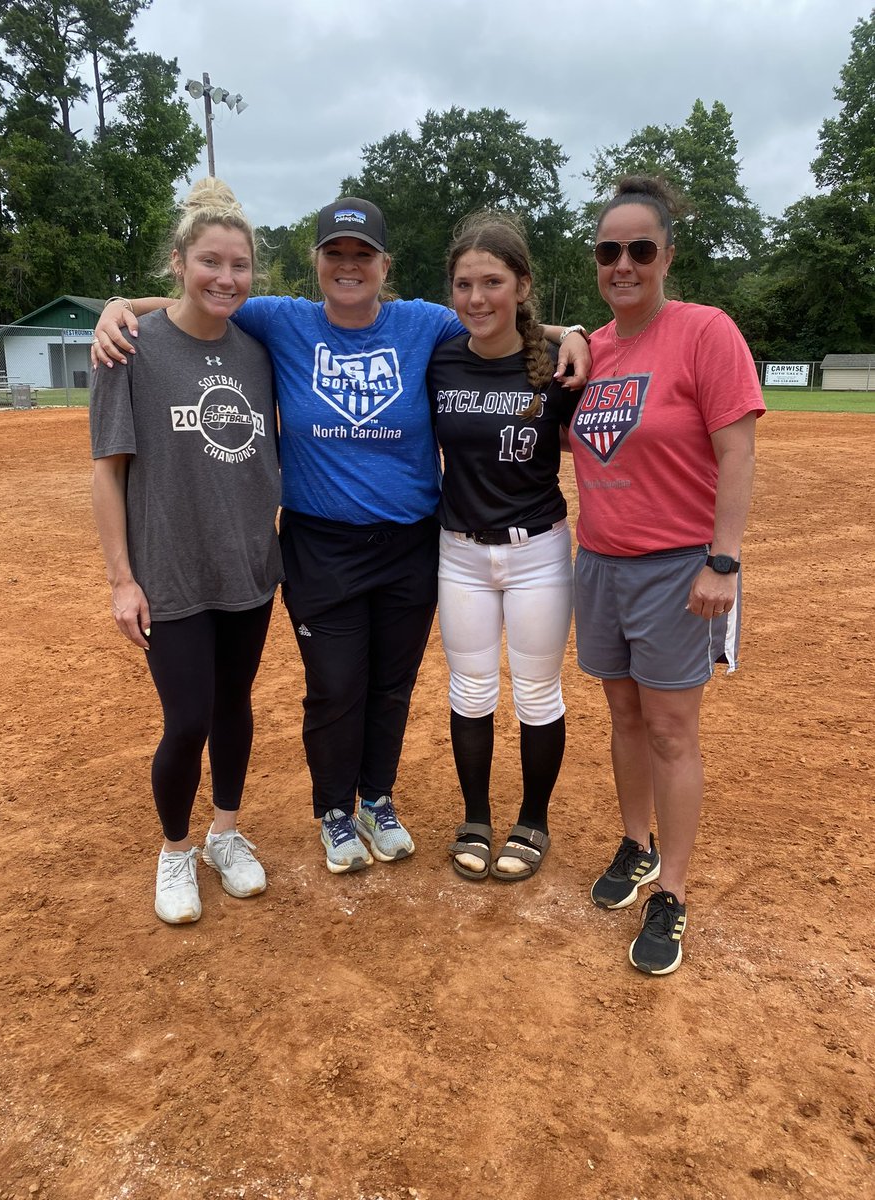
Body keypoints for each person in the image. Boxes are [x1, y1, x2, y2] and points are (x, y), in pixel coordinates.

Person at [92, 197, 592, 875]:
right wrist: (121, 304)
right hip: (320, 544)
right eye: (336, 255)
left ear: (385, 265)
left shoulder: (425, 323)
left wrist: (578, 331)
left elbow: (501, 318)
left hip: (411, 540)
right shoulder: (281, 319)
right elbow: (202, 295)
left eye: (363, 256)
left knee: (391, 684)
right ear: (318, 263)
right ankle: (334, 810)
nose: (349, 267)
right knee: (335, 684)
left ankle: (377, 799)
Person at [568, 175, 765, 974]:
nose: (624, 264)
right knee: (622, 716)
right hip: (600, 561)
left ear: (666, 257)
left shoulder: (704, 332)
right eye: (609, 251)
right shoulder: (595, 348)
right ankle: (637, 844)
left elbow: (738, 451)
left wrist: (724, 558)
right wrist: (569, 330)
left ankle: (672, 891)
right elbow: (500, 322)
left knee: (672, 730)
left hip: (680, 566)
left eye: (639, 250)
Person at [90, 178, 282, 924]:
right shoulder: (129, 348)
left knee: (234, 705)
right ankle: (176, 853)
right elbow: (108, 472)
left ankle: (224, 835)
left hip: (249, 568)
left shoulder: (259, 347)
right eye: (210, 261)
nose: (225, 277)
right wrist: (120, 580)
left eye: (239, 265)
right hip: (170, 572)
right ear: (179, 262)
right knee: (187, 719)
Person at [427, 213, 584, 881]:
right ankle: (475, 816)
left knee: (539, 694)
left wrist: (567, 332)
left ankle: (533, 821)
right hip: (460, 550)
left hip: (538, 552)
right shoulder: (439, 355)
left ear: (521, 284)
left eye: (493, 281)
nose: (476, 298)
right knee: (470, 690)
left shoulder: (556, 368)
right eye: (464, 284)